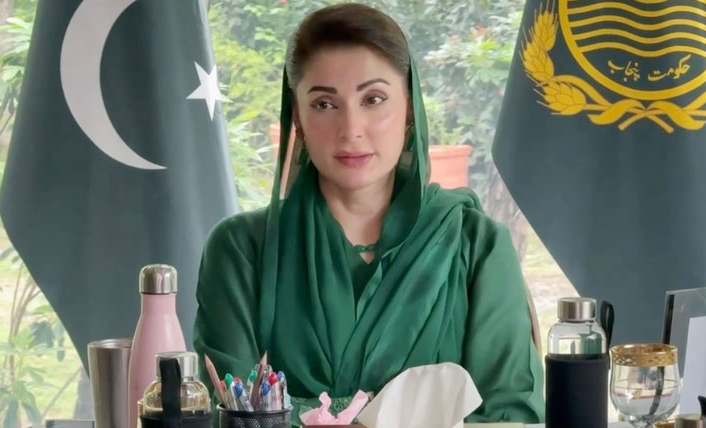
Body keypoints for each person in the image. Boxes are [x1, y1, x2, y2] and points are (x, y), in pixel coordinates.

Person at [193, 3, 544, 426]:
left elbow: (513, 415)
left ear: (410, 108)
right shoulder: (240, 249)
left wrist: (309, 413)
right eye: (324, 104)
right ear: (298, 117)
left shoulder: (476, 245)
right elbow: (226, 415)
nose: (351, 129)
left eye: (373, 99)